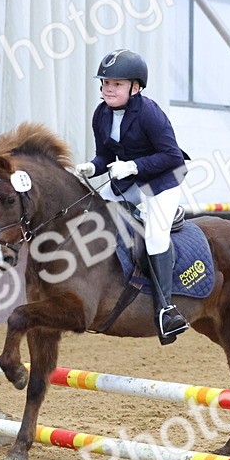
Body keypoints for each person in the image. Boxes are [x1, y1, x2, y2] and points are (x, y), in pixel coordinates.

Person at [75, 48, 190, 343]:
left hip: (163, 180)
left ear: (135, 87)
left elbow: (172, 156)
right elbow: (105, 156)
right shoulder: (101, 114)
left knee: (154, 235)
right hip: (132, 180)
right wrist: (92, 166)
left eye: (116, 84)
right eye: (105, 83)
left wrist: (134, 165)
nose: (108, 89)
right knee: (99, 218)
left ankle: (167, 309)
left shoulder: (149, 113)